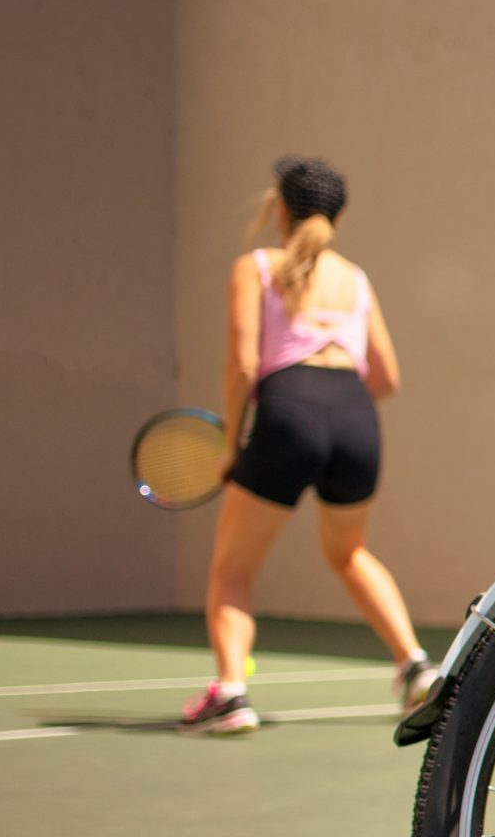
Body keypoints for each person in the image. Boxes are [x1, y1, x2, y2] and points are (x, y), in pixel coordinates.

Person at [180, 158, 438, 733]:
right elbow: (387, 379)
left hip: (288, 410)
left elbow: (244, 364)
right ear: (337, 217)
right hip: (355, 417)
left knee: (231, 571)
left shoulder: (256, 266)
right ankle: (416, 667)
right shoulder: (356, 277)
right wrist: (335, 402)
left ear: (280, 209)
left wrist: (232, 442)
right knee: (350, 554)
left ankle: (229, 694)